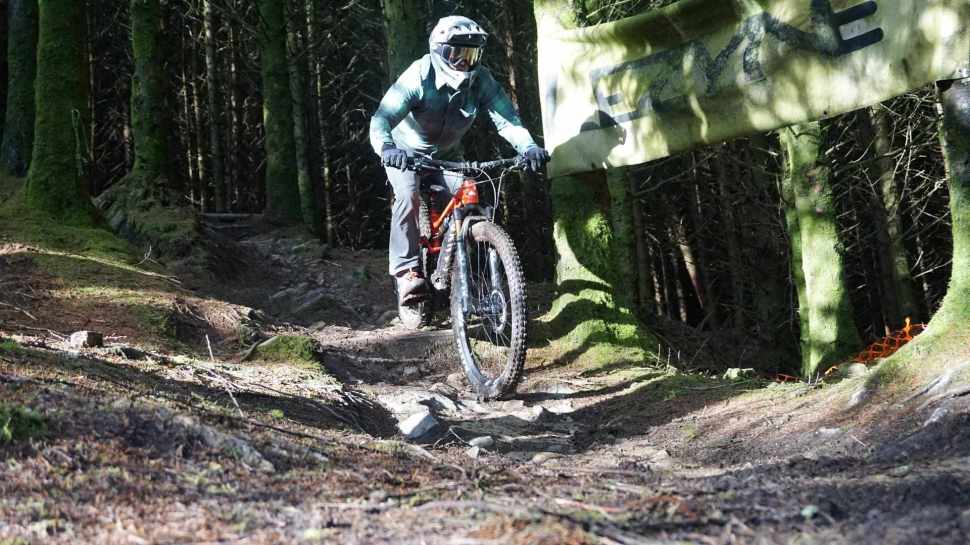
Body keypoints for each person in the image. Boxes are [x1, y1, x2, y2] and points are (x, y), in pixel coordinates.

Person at [370, 15, 550, 306]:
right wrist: (388, 148)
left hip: (446, 157)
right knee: (408, 195)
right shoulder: (419, 76)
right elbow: (381, 119)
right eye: (458, 53)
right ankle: (406, 271)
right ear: (440, 51)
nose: (465, 62)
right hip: (405, 153)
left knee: (471, 197)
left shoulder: (481, 81)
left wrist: (529, 148)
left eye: (472, 54)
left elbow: (507, 120)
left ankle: (465, 271)